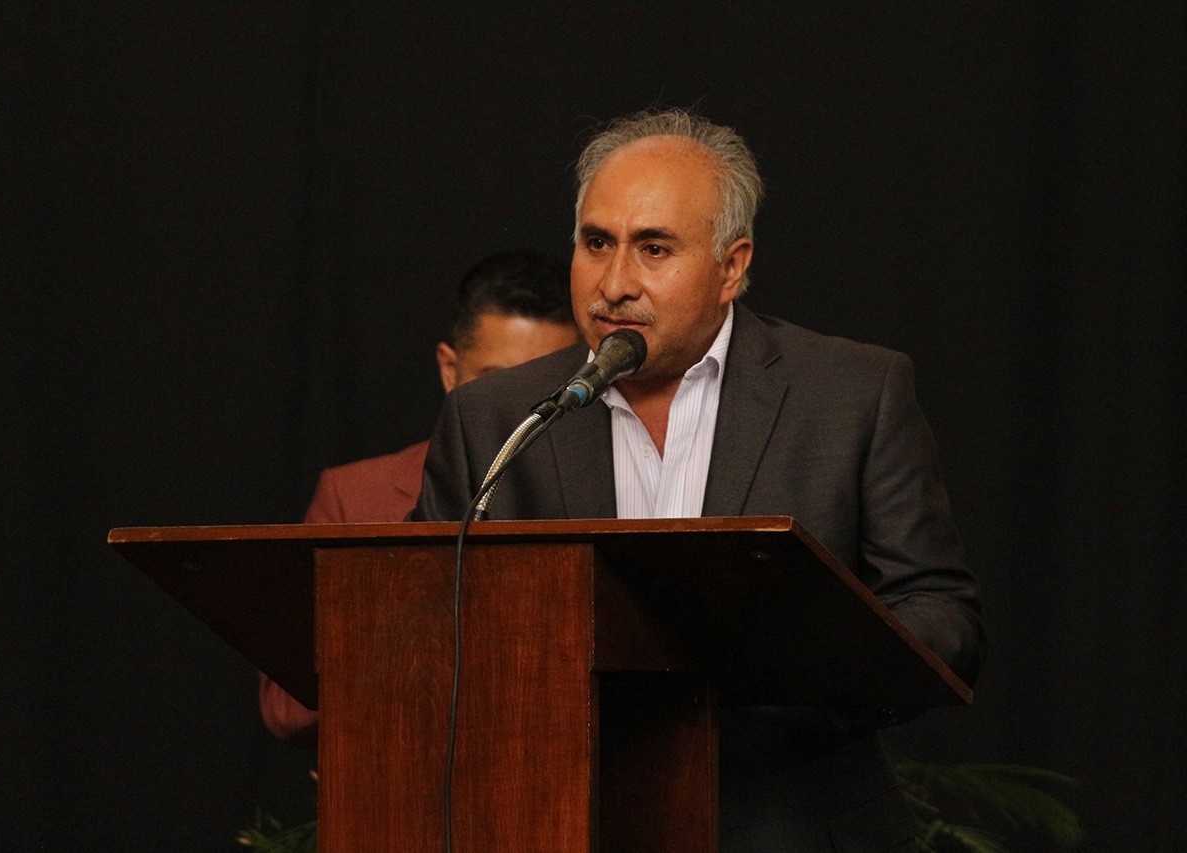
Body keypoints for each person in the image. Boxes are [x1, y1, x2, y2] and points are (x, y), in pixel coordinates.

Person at [410, 110, 986, 850]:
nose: (614, 283)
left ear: (732, 267)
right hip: (562, 819)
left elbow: (942, 614)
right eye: (596, 243)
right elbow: (417, 621)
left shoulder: (853, 394)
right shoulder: (495, 417)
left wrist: (808, 660)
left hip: (792, 823)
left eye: (654, 249)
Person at [259, 251, 580, 744]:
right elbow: (287, 708)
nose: (514, 410)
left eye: (542, 389)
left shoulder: (607, 493)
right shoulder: (353, 497)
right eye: (495, 383)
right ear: (450, 371)